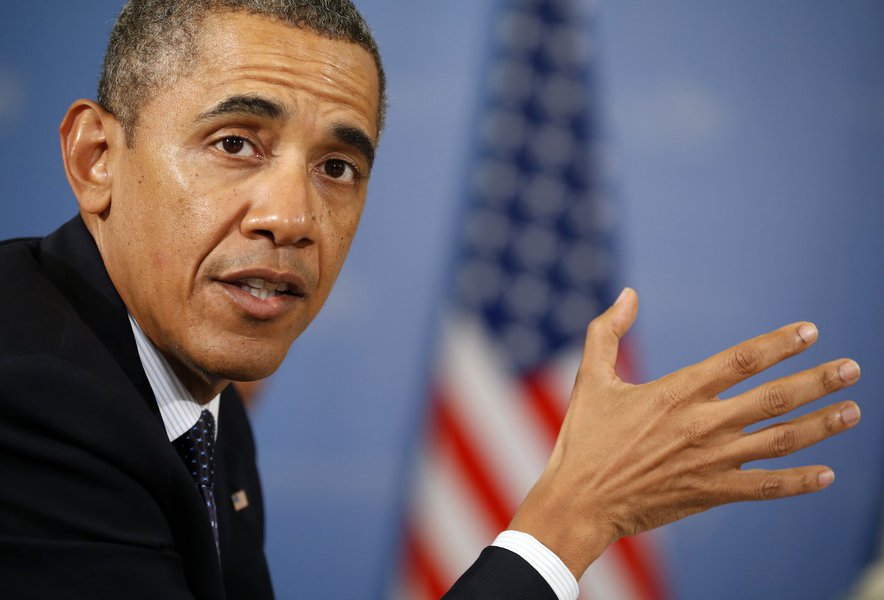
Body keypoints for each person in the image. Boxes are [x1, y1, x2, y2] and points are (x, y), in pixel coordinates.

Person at [0, 1, 862, 599]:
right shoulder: (32, 394)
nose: (292, 217)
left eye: (338, 167)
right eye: (235, 143)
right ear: (95, 159)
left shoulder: (197, 408)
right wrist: (572, 517)